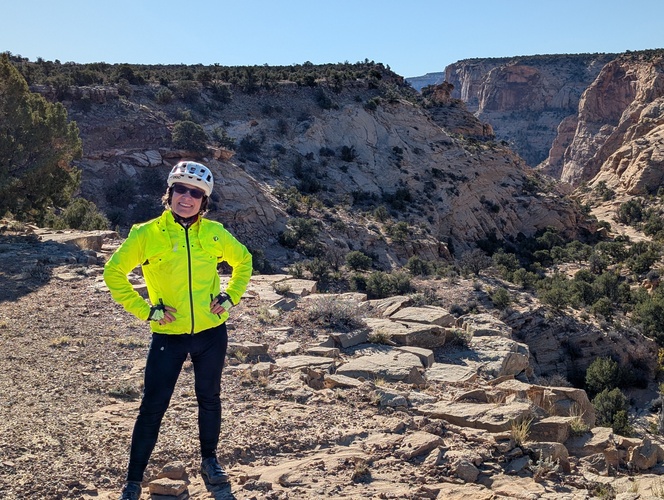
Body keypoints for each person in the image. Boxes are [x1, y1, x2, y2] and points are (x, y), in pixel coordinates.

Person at [103, 161, 252, 500]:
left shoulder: (214, 233)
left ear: (204, 201)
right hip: (168, 335)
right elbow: (113, 273)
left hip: (211, 333)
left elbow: (243, 260)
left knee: (209, 398)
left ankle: (210, 461)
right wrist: (145, 310)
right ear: (169, 194)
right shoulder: (146, 234)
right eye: (180, 190)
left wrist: (230, 296)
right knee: (152, 406)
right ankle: (133, 480)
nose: (187, 198)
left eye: (195, 193)